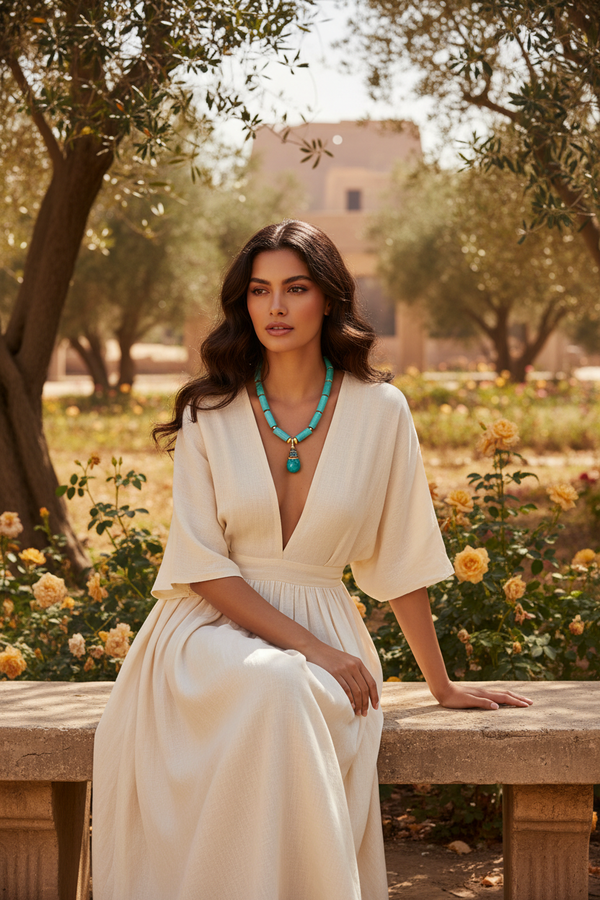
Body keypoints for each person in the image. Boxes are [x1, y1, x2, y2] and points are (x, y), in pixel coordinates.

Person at [92, 220, 532, 900]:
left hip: (328, 629)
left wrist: (441, 685)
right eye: (260, 291)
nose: (275, 307)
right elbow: (202, 567)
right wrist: (311, 653)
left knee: (287, 688)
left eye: (294, 289)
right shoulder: (209, 412)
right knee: (278, 684)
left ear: (327, 298)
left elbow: (402, 559)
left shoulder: (382, 410)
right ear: (243, 304)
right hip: (205, 634)